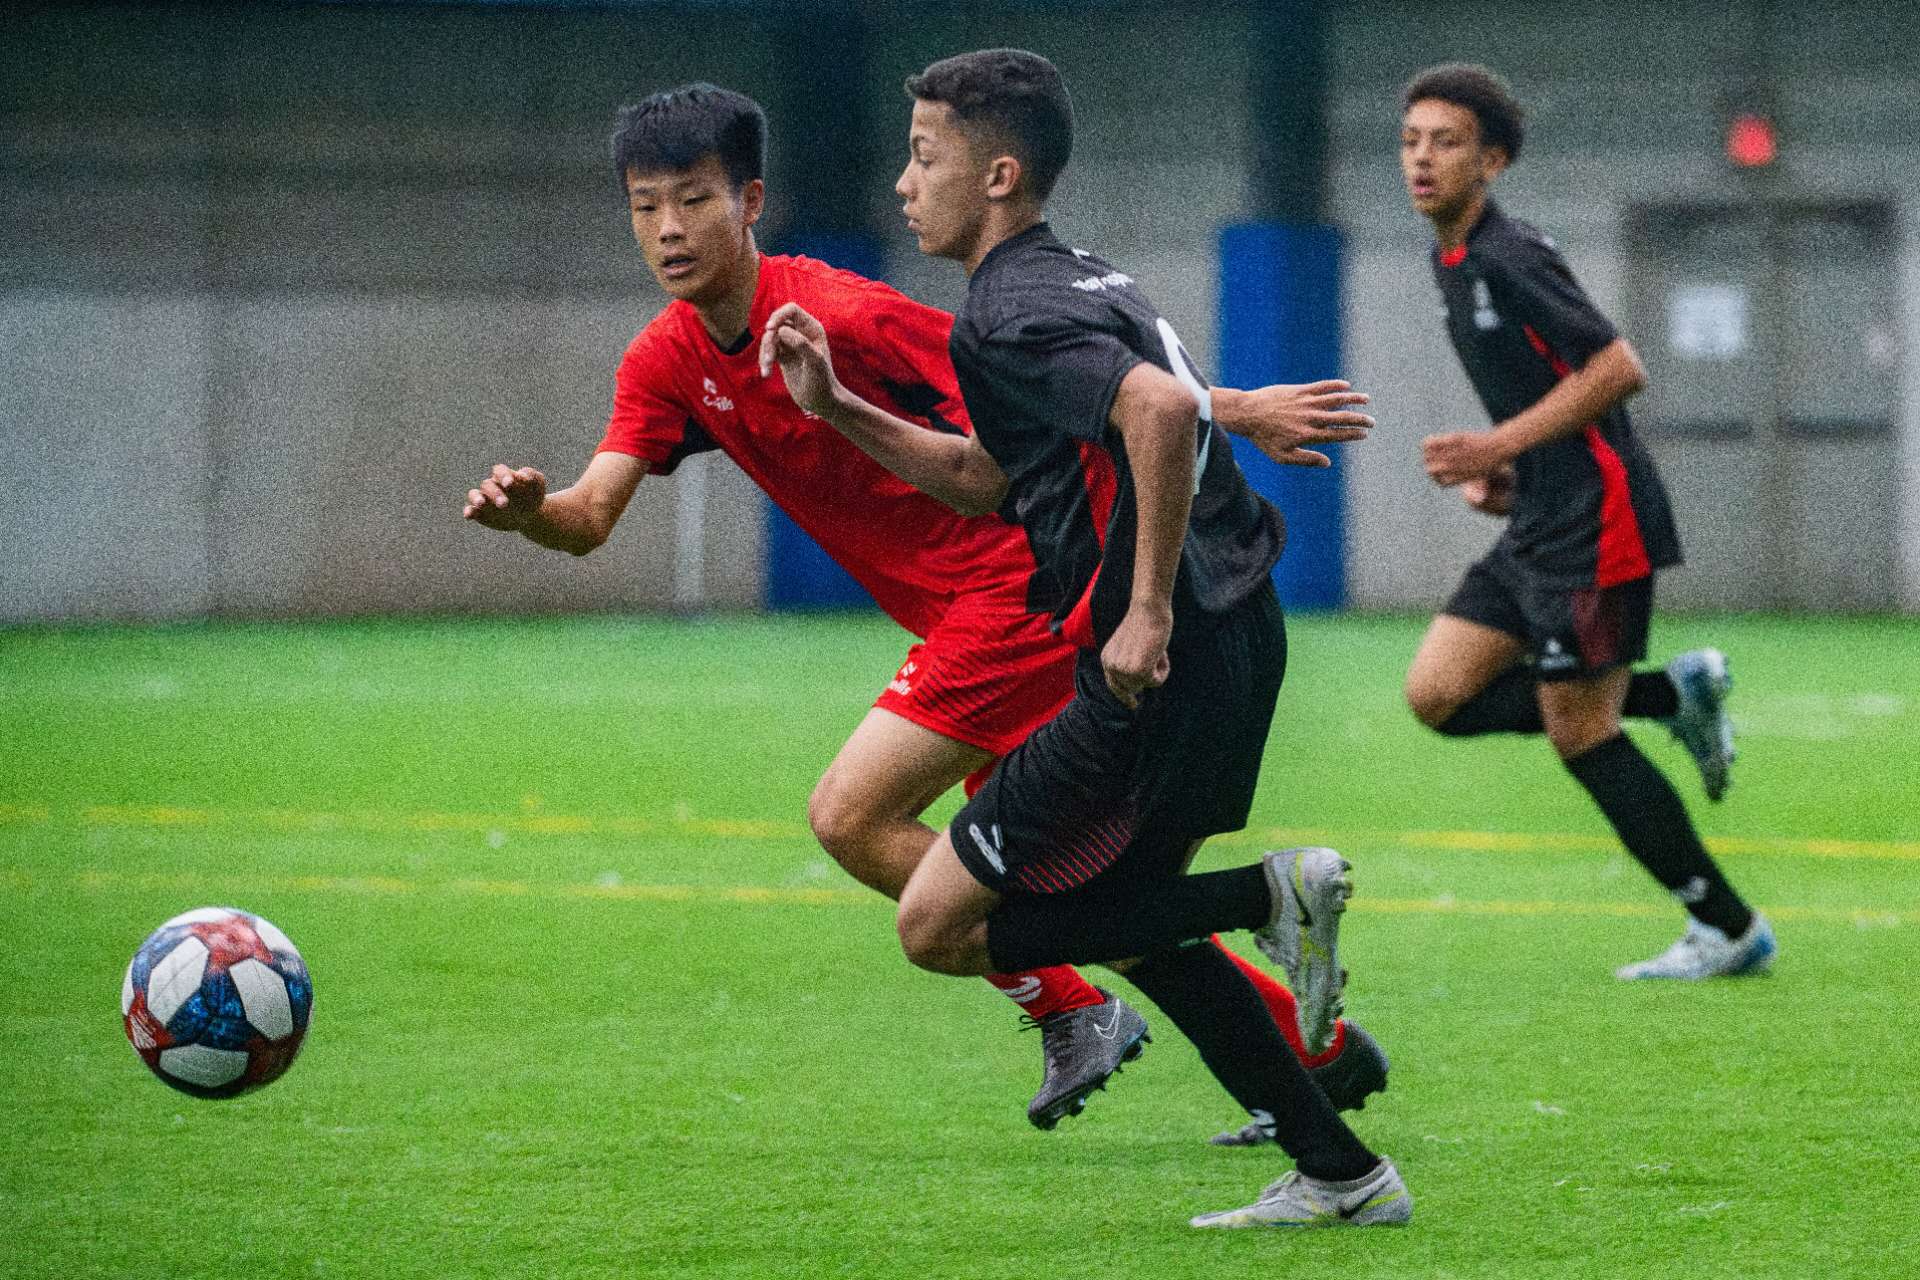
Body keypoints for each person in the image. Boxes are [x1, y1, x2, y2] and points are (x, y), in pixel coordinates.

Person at [460, 83, 1389, 1132]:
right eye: (644, 205)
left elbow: (1040, 377)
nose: (669, 229)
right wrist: (533, 514)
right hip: (967, 621)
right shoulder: (665, 360)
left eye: (694, 198)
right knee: (1094, 899)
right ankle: (1312, 1055)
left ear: (750, 198)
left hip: (1017, 597)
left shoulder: (843, 313)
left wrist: (1229, 405)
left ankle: (1068, 1000)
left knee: (854, 817)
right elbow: (589, 517)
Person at [763, 49, 1410, 1228]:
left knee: (935, 921)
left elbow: (1156, 410)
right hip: (1231, 637)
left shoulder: (1010, 306)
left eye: (925, 156)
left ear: (999, 174)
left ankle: (1264, 894)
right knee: (1137, 923)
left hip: (1156, 664)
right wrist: (839, 409)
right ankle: (1342, 1172)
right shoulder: (1083, 281)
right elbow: (983, 479)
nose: (906, 185)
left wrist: (1147, 608)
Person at [1397, 63, 1774, 980]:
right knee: (1437, 695)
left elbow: (1615, 370)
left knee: (1581, 733)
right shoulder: (1449, 258)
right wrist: (1516, 477)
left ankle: (1727, 929)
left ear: (1493, 160)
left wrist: (1494, 450)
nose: (1421, 159)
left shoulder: (1510, 253)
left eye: (1445, 143)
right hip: (1544, 516)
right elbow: (1554, 395)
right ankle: (1670, 695)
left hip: (1600, 524)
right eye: (1410, 141)